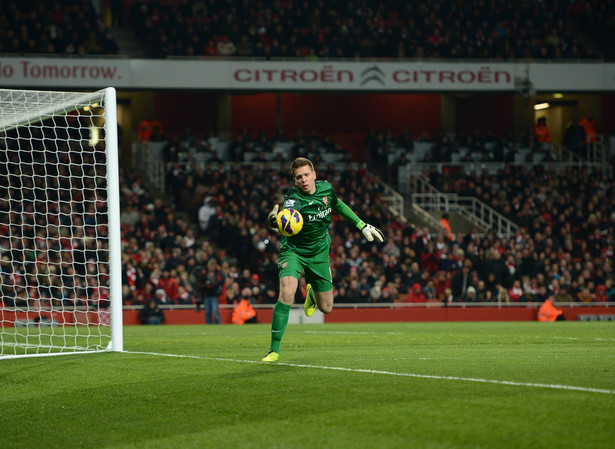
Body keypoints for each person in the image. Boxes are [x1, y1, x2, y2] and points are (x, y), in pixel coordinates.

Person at [261, 157, 384, 362]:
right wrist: (276, 221)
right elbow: (287, 218)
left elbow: (339, 205)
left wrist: (361, 225)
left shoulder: (326, 189)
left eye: (306, 175)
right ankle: (274, 349)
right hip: (294, 251)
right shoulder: (294, 199)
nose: (303, 180)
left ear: (314, 175)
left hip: (319, 253)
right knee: (287, 291)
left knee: (326, 307)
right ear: (294, 181)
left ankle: (311, 293)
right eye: (298, 177)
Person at [199, 258, 225, 324]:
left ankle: (218, 324)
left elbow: (222, 280)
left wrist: (214, 284)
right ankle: (209, 325)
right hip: (207, 294)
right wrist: (206, 285)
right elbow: (200, 282)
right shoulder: (205, 273)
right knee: (207, 311)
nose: (210, 268)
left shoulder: (219, 272)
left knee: (215, 310)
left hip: (214, 294)